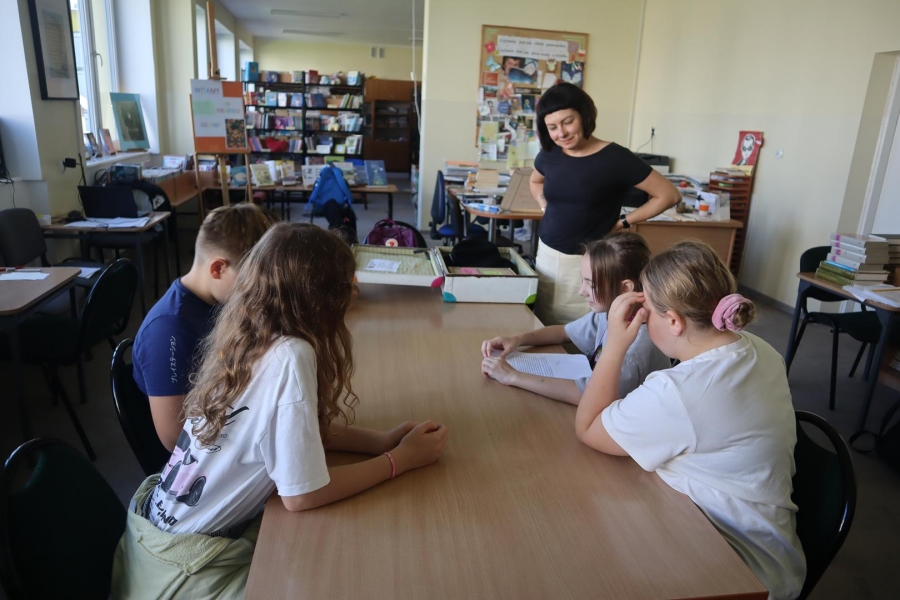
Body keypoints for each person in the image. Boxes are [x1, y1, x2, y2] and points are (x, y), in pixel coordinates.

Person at [112, 223, 450, 598]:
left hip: (158, 530)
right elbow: (302, 495)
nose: (353, 293)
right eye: (346, 285)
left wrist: (379, 441)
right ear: (322, 297)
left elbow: (288, 432)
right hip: (184, 565)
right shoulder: (291, 354)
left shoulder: (245, 328)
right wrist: (398, 460)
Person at [573, 241, 806, 600]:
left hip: (740, 568)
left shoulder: (678, 392)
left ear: (674, 321)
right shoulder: (762, 350)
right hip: (771, 547)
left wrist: (616, 344)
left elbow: (588, 427)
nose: (642, 318)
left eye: (647, 311)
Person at [530, 82, 681, 325]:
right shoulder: (549, 154)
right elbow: (535, 181)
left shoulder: (615, 158)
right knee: (543, 322)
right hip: (547, 255)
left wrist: (622, 222)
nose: (562, 133)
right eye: (552, 127)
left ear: (585, 116)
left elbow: (669, 195)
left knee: (585, 330)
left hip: (590, 262)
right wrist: (544, 206)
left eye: (568, 122)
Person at [132, 203, 278, 451]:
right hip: (204, 453)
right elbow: (174, 438)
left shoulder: (222, 299)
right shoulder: (167, 330)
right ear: (218, 268)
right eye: (250, 281)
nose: (258, 291)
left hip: (236, 413)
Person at [480, 232, 668, 404]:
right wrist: (517, 340)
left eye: (591, 284)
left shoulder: (636, 347)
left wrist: (513, 376)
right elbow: (564, 332)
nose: (581, 291)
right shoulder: (612, 313)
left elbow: (586, 396)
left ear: (625, 288)